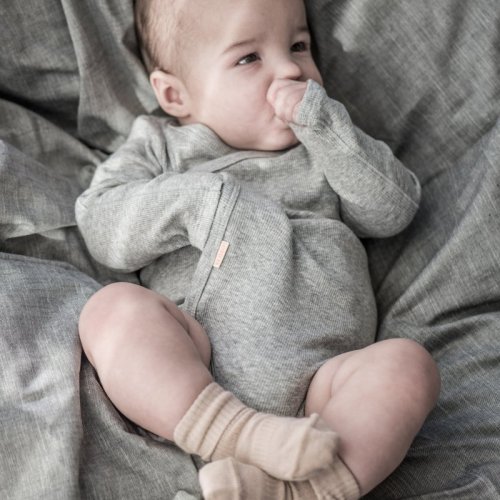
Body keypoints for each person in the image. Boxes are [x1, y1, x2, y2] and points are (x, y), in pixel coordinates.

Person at [75, 0, 441, 498]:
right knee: (110, 310)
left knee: (409, 367)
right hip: (198, 367)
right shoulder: (163, 148)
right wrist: (196, 201)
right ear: (176, 94)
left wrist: (325, 127)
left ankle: (302, 490)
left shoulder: (326, 144)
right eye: (248, 57)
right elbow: (99, 220)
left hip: (323, 387)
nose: (290, 69)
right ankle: (238, 434)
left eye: (299, 45)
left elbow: (392, 208)